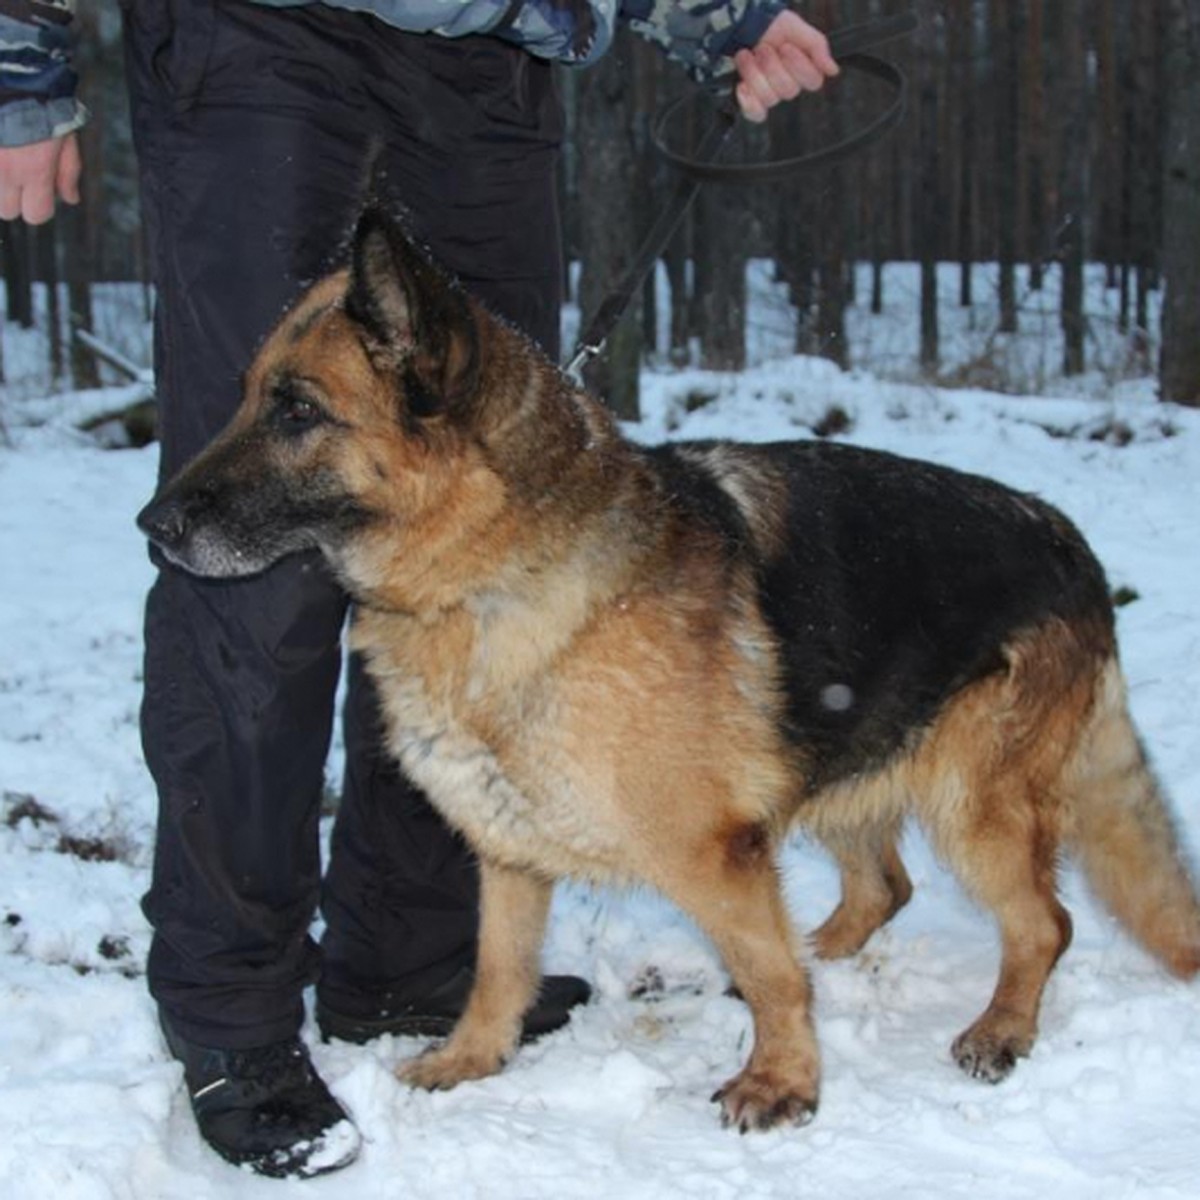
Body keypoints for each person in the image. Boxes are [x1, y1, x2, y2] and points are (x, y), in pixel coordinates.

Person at [0, 0, 837, 1179]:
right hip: (265, 45)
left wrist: (721, 15)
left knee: (477, 525)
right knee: (258, 557)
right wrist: (21, 62)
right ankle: (233, 1014)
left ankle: (407, 952)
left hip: (495, 63)